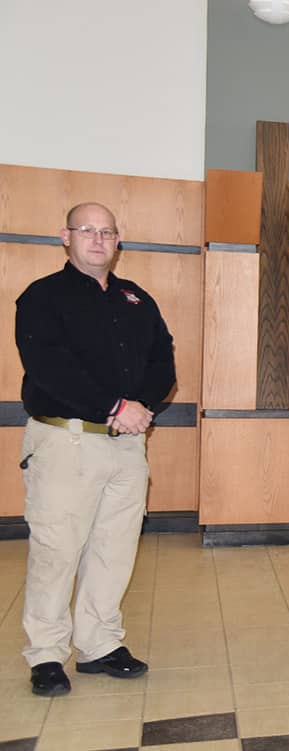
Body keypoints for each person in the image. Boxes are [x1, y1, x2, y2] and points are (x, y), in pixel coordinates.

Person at [16, 202, 176, 696]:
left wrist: (140, 406)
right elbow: (49, 368)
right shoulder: (43, 297)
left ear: (117, 240)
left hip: (126, 446)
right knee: (57, 550)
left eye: (107, 232)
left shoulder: (135, 299)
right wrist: (113, 406)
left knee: (114, 549)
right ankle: (45, 653)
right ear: (65, 236)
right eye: (87, 230)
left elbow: (162, 363)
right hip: (66, 441)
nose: (98, 240)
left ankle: (99, 644)